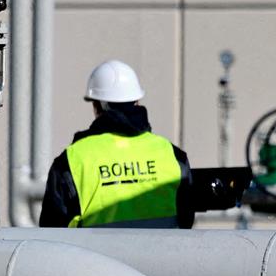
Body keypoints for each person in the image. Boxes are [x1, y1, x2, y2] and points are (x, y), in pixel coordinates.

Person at [41, 60, 193, 228]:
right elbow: (187, 220)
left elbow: (51, 231)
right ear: (137, 102)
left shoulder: (71, 161)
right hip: (163, 254)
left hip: (94, 254)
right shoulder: (172, 155)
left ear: (96, 105)